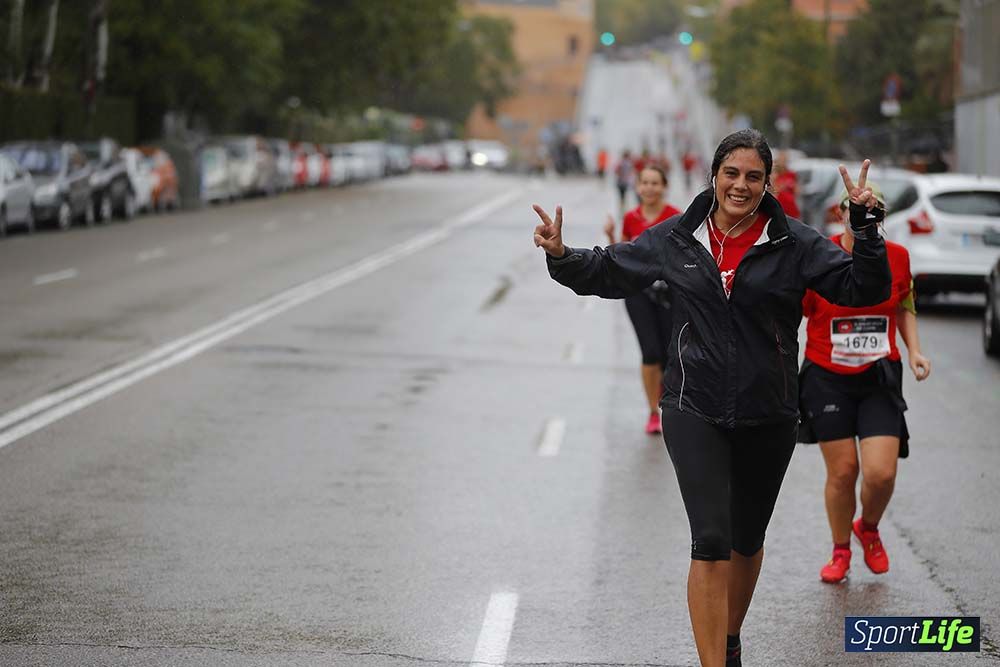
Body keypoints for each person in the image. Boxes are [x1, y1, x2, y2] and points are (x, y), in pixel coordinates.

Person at [532, 129, 889, 667]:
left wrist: (864, 230)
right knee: (711, 539)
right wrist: (562, 254)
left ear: (766, 184)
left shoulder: (794, 243)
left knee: (746, 540)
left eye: (753, 177)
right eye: (731, 174)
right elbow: (611, 269)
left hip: (768, 412)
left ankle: (729, 639)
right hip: (692, 405)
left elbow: (863, 288)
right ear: (714, 176)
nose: (740, 186)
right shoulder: (679, 237)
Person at [799, 187, 931, 585]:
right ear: (841, 214)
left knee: (880, 474)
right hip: (827, 376)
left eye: (873, 210)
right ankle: (840, 550)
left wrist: (915, 351)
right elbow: (794, 311)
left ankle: (868, 528)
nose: (862, 216)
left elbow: (904, 304)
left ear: (881, 217)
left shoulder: (898, 257)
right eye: (854, 209)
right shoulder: (821, 256)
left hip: (878, 375)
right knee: (843, 472)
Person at [602, 165, 682, 434]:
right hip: (638, 293)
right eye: (644, 183)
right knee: (650, 352)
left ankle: (666, 397)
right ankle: (652, 412)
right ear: (637, 187)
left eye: (655, 183)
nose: (649, 188)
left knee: (669, 354)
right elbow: (625, 256)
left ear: (664, 187)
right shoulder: (631, 218)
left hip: (669, 294)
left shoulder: (675, 217)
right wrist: (611, 237)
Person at [771, 150, 801, 219]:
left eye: (784, 160)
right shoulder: (775, 174)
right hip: (780, 206)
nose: (782, 162)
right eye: (781, 160)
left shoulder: (791, 174)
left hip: (790, 206)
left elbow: (797, 190)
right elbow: (773, 189)